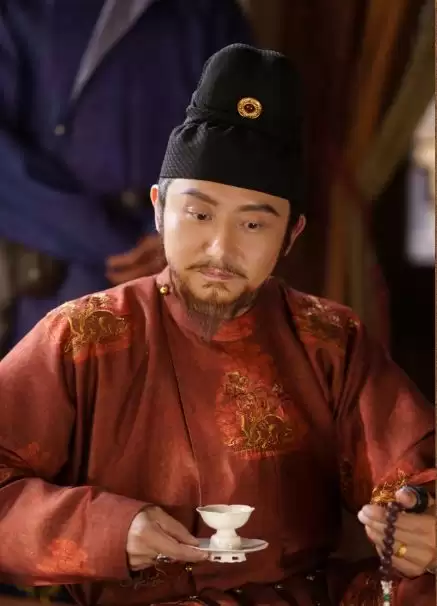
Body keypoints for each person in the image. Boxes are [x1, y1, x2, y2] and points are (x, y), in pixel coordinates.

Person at [0, 44, 435, 606]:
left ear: (291, 234)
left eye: (253, 224)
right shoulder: (83, 336)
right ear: (159, 209)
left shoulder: (328, 340)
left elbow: (413, 474)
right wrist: (108, 529)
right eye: (199, 214)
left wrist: (419, 522)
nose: (220, 249)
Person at [0, 0, 251, 355]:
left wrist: (179, 233)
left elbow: (240, 138)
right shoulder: (20, 10)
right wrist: (108, 238)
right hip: (56, 274)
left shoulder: (210, 14)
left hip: (178, 276)